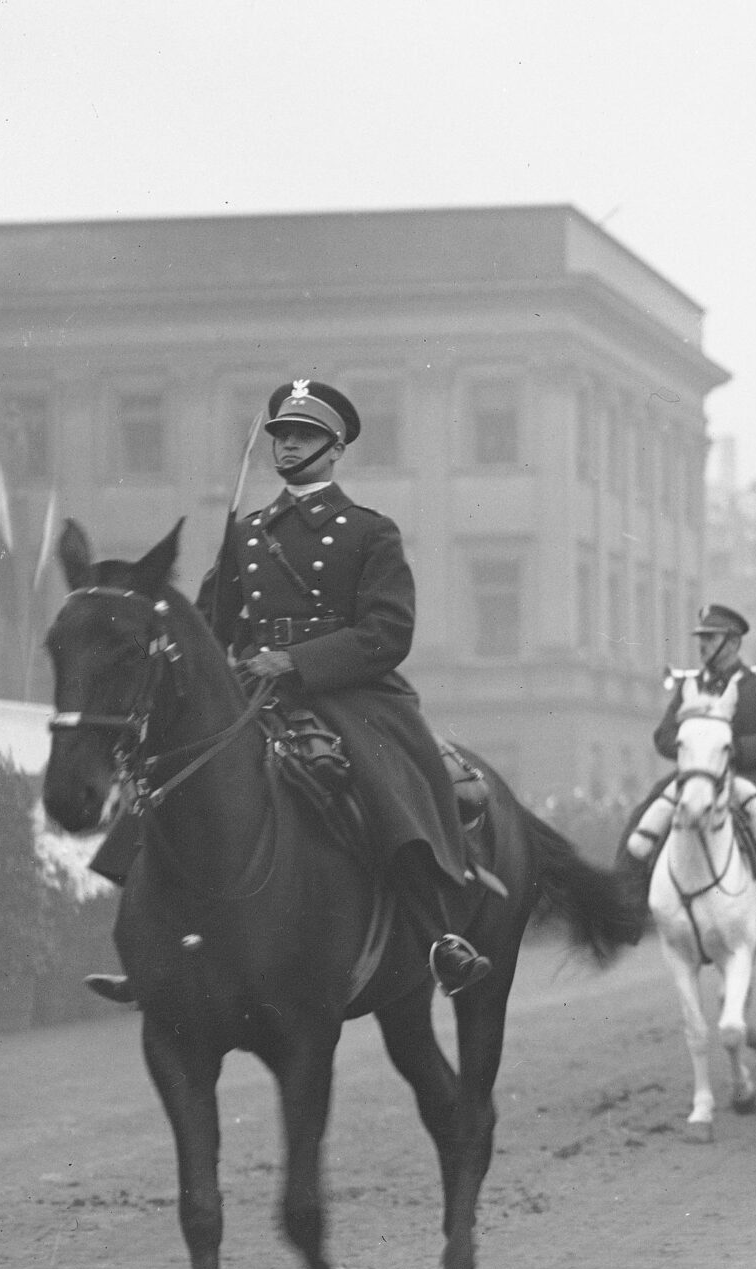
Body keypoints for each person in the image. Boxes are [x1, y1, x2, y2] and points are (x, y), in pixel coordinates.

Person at [93, 379, 493, 1003]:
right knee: (170, 778)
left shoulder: (369, 532)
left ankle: (436, 934)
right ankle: (148, 945)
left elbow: (389, 632)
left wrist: (297, 660)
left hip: (348, 691)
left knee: (384, 779)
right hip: (253, 688)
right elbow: (208, 625)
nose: (287, 446)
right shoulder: (247, 533)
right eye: (281, 435)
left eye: (303, 435)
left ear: (334, 450)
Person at [633, 604, 756, 940]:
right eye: (702, 638)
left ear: (732, 643)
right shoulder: (690, 686)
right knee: (645, 817)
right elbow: (663, 736)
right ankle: (634, 902)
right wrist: (692, 752)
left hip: (749, 775)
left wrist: (737, 750)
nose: (702, 645)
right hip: (698, 776)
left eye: (710, 638)